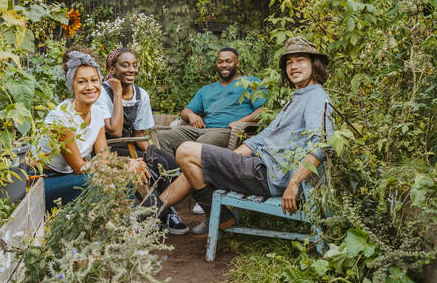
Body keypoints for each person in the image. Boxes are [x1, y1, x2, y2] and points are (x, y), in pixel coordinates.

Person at [154, 36, 334, 238]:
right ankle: (153, 214)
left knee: (186, 151)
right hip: (259, 166)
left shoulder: (316, 98)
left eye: (300, 60)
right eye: (289, 62)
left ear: (314, 64)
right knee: (192, 164)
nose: (293, 67)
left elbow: (320, 145)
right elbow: (262, 138)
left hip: (270, 176)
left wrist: (293, 183)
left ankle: (153, 213)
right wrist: (232, 160)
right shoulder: (298, 97)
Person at [32, 47, 146, 213]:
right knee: (99, 181)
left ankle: (126, 228)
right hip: (43, 181)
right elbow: (80, 168)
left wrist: (124, 164)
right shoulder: (61, 118)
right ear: (72, 85)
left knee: (125, 179)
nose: (90, 86)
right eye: (82, 82)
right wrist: (123, 165)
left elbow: (103, 156)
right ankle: (104, 233)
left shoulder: (97, 112)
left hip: (69, 176)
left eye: (94, 80)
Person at [94, 47, 188, 235]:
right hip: (107, 147)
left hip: (131, 145)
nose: (132, 70)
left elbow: (138, 134)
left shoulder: (141, 94)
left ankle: (162, 209)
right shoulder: (102, 94)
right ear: (112, 68)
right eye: (125, 65)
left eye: (135, 65)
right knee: (147, 167)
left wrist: (155, 152)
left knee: (166, 163)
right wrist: (118, 93)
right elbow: (115, 130)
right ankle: (162, 213)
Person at [156, 47, 267, 155]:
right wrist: (191, 115)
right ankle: (172, 172)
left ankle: (191, 172)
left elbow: (262, 111)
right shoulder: (206, 90)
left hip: (228, 131)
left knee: (203, 143)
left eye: (228, 61)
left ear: (237, 63)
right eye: (220, 62)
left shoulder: (251, 83)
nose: (224, 65)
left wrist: (239, 123)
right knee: (163, 136)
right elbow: (185, 111)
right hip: (203, 130)